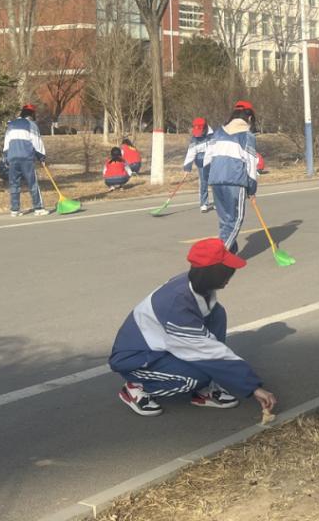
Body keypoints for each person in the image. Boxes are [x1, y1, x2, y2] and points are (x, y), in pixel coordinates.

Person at [109, 237, 278, 417]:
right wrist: (253, 387)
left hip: (162, 347)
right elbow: (207, 351)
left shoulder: (195, 286)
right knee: (197, 377)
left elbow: (206, 347)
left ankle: (203, 389)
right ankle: (136, 387)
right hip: (137, 359)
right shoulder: (176, 305)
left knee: (216, 314)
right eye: (226, 271)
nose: (230, 276)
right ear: (211, 273)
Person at [205, 100, 258, 254]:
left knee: (225, 221)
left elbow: (207, 160)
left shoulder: (217, 133)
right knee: (235, 221)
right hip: (235, 182)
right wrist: (252, 189)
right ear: (249, 117)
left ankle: (230, 250)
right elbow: (251, 165)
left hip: (216, 180)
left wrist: (211, 177)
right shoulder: (247, 136)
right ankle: (219, 257)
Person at [2, 104, 49, 217]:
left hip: (12, 157)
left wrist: (6, 157)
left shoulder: (11, 124)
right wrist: (41, 157)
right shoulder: (31, 125)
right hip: (26, 157)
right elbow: (37, 142)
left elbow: (6, 143)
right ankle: (38, 208)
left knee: (14, 184)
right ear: (32, 114)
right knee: (32, 183)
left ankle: (15, 210)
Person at [183, 117, 214, 212]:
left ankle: (217, 202)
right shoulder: (194, 139)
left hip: (212, 162)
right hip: (200, 163)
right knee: (203, 183)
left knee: (214, 182)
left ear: (205, 128)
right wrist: (187, 168)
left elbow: (214, 150)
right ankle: (204, 203)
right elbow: (191, 152)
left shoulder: (212, 136)